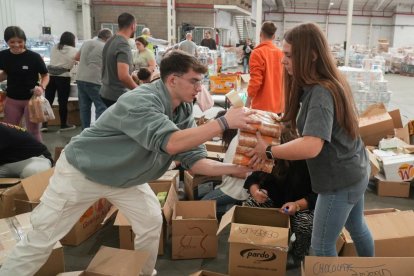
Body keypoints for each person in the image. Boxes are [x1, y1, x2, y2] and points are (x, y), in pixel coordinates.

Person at [0, 50, 257, 276]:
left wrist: (236, 169)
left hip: (124, 178)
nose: (199, 88)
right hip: (82, 173)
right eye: (194, 81)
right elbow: (171, 143)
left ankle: (144, 273)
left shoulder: (183, 111)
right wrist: (223, 123)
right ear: (173, 80)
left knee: (150, 221)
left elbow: (196, 162)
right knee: (41, 239)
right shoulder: (141, 101)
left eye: (200, 82)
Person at [248, 23, 374, 257]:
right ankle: (374, 268)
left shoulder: (321, 94)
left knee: (322, 246)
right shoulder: (324, 84)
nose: (282, 61)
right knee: (356, 227)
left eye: (288, 55)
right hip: (355, 170)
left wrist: (269, 151)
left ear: (312, 55)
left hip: (339, 181)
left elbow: (312, 145)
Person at [243, 124, 316, 265]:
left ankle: (298, 254)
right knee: (250, 205)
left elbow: (317, 196)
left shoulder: (306, 163)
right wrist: (256, 192)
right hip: (275, 204)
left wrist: (297, 205)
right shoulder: (268, 158)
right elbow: (252, 179)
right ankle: (260, 245)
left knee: (304, 223)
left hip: (300, 207)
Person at [0, 26, 49, 142]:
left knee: (33, 131)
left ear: (24, 41)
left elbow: (45, 75)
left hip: (32, 100)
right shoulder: (3, 55)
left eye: (20, 42)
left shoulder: (34, 57)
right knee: (10, 130)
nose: (16, 45)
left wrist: (42, 87)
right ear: (7, 42)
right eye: (12, 42)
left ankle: (39, 156)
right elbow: (6, 72)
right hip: (12, 99)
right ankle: (13, 156)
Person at [201, 111, 249, 216]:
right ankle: (233, 208)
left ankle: (236, 211)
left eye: (219, 129)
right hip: (230, 186)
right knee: (201, 195)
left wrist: (217, 169)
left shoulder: (238, 142)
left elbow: (243, 174)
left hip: (234, 190)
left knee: (202, 206)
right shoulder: (235, 139)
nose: (218, 133)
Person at [75, 28, 113, 130]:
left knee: (84, 108)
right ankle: (97, 132)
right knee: (100, 106)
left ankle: (85, 131)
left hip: (80, 78)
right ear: (108, 38)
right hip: (95, 80)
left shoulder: (87, 42)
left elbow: (77, 57)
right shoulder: (106, 47)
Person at [100, 12, 138, 108]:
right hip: (116, 95)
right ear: (133, 26)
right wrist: (139, 90)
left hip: (105, 92)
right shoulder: (122, 44)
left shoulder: (110, 40)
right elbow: (123, 76)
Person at [43, 31, 78, 132]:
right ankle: (63, 124)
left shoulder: (55, 47)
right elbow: (77, 60)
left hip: (50, 76)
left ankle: (44, 124)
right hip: (63, 77)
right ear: (72, 40)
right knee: (62, 101)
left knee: (48, 100)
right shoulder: (74, 50)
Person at [246, 21, 284, 113]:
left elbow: (256, 81)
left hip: (262, 108)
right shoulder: (281, 53)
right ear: (274, 36)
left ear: (260, 34)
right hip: (279, 106)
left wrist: (247, 103)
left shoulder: (257, 53)